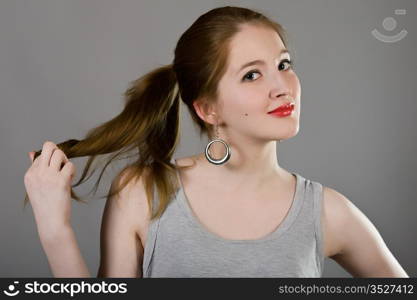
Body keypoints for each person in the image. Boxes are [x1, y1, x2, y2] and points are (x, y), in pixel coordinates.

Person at [23, 6, 408, 278]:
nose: (281, 87)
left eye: (283, 65)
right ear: (207, 109)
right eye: (251, 76)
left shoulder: (327, 211)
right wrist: (55, 229)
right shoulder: (143, 191)